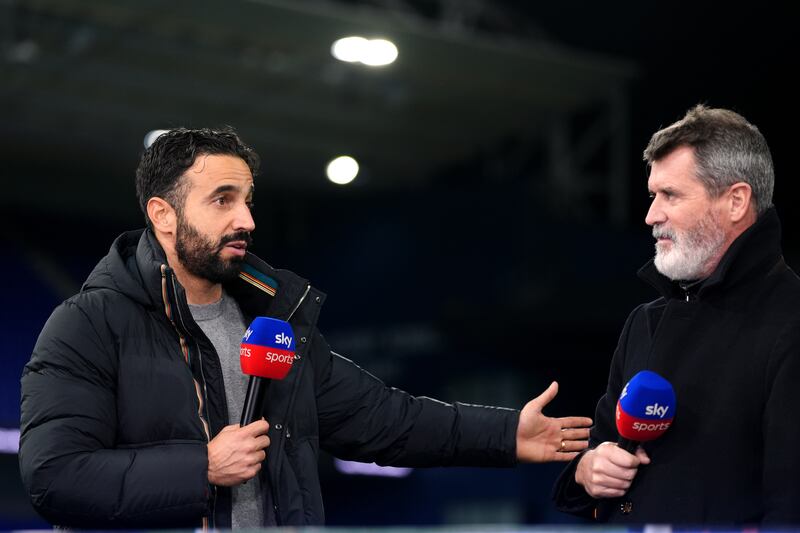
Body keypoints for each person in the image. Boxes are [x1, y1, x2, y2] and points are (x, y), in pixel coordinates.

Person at [19, 127, 592, 529]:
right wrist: (202, 468)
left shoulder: (274, 321)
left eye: (246, 199)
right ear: (163, 215)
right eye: (222, 199)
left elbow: (386, 419)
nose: (246, 219)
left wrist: (504, 434)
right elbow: (54, 476)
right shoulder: (87, 325)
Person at [552, 105, 800, 525]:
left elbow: (790, 504)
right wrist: (588, 470)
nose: (651, 216)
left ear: (736, 200)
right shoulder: (643, 323)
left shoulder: (790, 319)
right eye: (653, 195)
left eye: (671, 195)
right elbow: (600, 453)